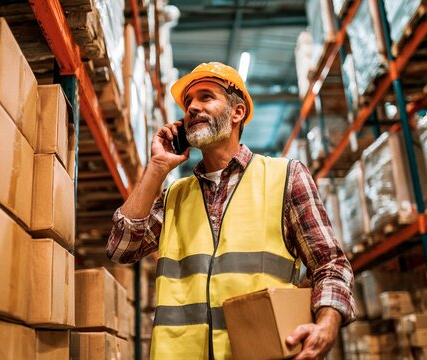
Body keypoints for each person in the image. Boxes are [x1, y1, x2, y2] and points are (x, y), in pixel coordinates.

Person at [106, 62, 355, 359]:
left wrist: (326, 326)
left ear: (237, 113)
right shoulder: (175, 195)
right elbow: (121, 248)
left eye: (206, 97)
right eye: (188, 102)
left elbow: (330, 265)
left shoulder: (285, 177)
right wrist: (157, 167)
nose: (193, 108)